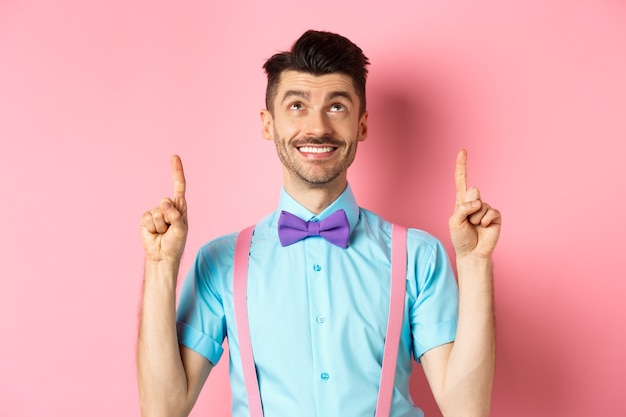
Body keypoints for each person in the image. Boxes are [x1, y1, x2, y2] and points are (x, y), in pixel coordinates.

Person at [137, 30, 501, 417]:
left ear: (361, 125)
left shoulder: (418, 256)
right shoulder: (220, 261)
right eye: (296, 105)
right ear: (267, 123)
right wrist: (161, 266)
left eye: (337, 106)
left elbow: (466, 409)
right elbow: (163, 409)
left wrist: (476, 263)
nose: (318, 128)